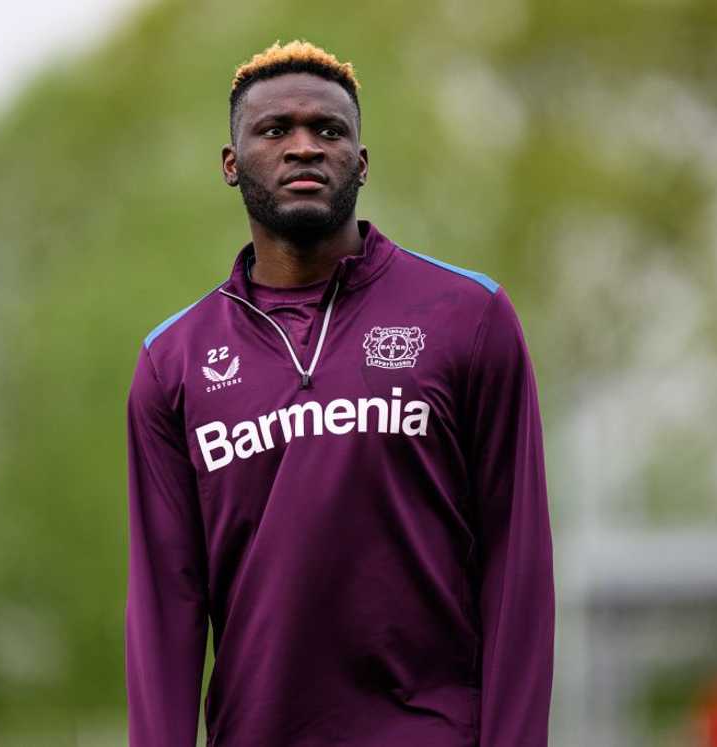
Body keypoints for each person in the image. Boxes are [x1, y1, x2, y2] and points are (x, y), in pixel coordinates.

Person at [124, 38, 554, 747]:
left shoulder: (469, 316)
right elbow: (165, 606)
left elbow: (518, 566)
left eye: (328, 130)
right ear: (231, 165)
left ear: (361, 161)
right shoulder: (173, 361)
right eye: (274, 130)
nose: (303, 147)